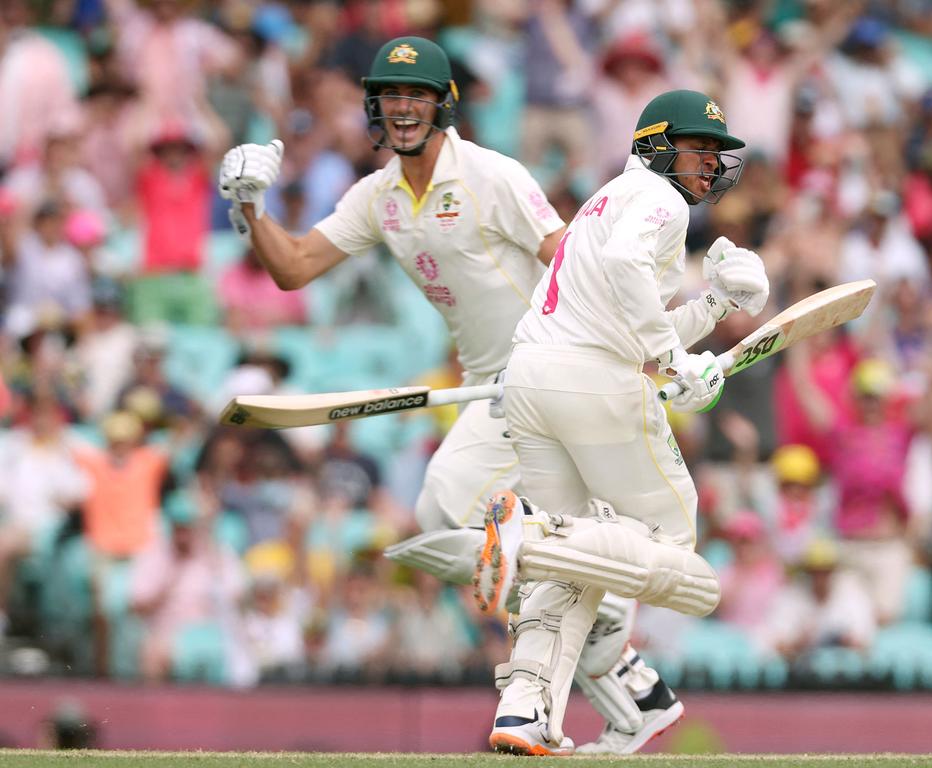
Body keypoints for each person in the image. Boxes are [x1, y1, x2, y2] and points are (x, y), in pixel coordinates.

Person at [217, 35, 678, 752]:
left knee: (463, 514)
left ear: (443, 105)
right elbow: (296, 266)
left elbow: (565, 252)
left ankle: (589, 610)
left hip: (548, 368)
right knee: (440, 520)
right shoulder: (379, 197)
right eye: (391, 97)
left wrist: (643, 344)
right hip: (485, 384)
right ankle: (631, 680)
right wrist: (251, 210)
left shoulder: (491, 175)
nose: (402, 110)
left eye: (416, 97)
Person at [472, 89, 770, 754]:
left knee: (583, 560)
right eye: (699, 150)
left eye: (718, 154)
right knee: (672, 540)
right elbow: (628, 287)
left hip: (534, 376)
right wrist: (670, 365)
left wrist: (716, 305)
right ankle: (532, 532)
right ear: (657, 145)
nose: (711, 166)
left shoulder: (608, 200)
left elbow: (633, 314)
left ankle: (525, 709)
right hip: (591, 386)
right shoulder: (658, 199)